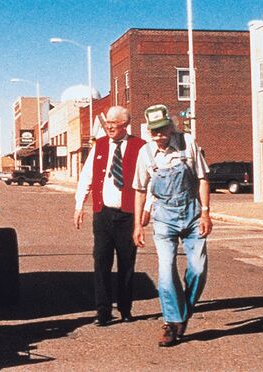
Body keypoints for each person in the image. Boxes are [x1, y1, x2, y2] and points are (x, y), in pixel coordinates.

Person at [132, 104, 212, 347]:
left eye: (163, 130)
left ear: (171, 126)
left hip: (191, 213)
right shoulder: (145, 153)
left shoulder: (188, 144)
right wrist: (138, 224)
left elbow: (202, 179)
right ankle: (170, 322)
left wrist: (206, 213)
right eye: (154, 131)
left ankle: (182, 311)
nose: (159, 136)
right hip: (164, 217)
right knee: (166, 272)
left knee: (198, 269)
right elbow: (140, 191)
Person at [75, 106, 146, 326]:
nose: (109, 127)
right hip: (102, 213)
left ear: (125, 125)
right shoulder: (100, 145)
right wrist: (79, 206)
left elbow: (148, 183)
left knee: (127, 264)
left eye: (114, 123)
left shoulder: (140, 147)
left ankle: (125, 308)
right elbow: (86, 176)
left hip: (127, 215)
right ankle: (103, 312)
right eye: (107, 123)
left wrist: (145, 213)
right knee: (101, 262)